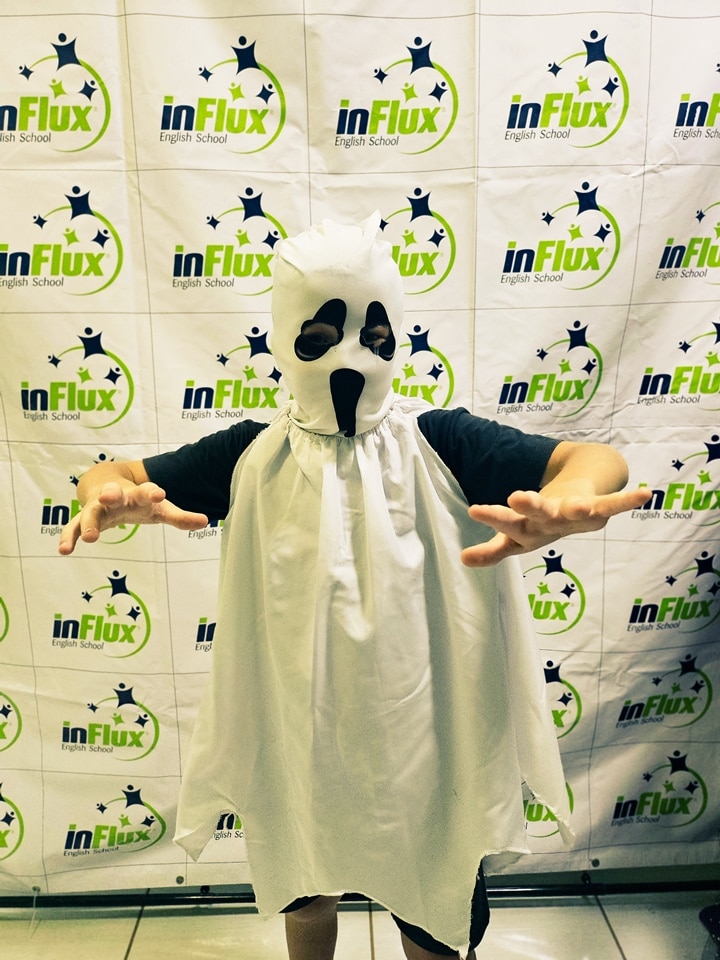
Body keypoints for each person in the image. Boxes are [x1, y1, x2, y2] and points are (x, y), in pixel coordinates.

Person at [59, 215, 651, 960]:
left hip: (429, 738)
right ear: (284, 340)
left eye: (374, 337)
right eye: (319, 337)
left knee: (433, 907)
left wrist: (569, 498)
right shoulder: (250, 455)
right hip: (301, 736)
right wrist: (107, 494)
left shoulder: (442, 443)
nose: (350, 359)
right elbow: (113, 476)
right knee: (306, 885)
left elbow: (588, 460)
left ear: (396, 337)